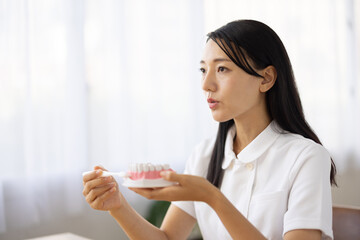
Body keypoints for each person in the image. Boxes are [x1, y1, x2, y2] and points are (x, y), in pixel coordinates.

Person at [82, 19, 336, 240]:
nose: (206, 84)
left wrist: (212, 197)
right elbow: (168, 238)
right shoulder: (205, 155)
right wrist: (117, 206)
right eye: (203, 70)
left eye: (222, 69)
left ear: (266, 78)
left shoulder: (306, 158)